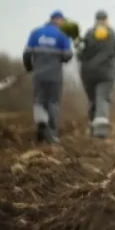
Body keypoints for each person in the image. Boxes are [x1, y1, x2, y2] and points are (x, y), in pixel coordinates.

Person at [22, 10, 73, 143]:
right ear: (59, 20)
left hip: (38, 75)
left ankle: (41, 121)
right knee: (53, 103)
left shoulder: (35, 33)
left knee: (39, 101)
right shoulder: (63, 35)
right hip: (55, 75)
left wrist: (29, 67)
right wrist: (59, 58)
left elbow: (27, 54)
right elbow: (68, 55)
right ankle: (52, 135)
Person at [77, 10, 115, 138]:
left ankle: (92, 127)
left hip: (88, 73)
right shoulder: (112, 34)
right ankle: (100, 131)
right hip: (106, 72)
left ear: (95, 20)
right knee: (102, 97)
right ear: (106, 19)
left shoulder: (88, 34)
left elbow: (81, 54)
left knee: (93, 99)